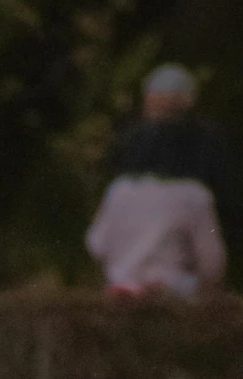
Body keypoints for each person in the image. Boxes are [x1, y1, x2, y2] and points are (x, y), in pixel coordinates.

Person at [85, 62, 228, 300]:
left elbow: (97, 245)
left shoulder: (119, 190)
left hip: (120, 298)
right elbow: (213, 266)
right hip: (175, 302)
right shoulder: (194, 196)